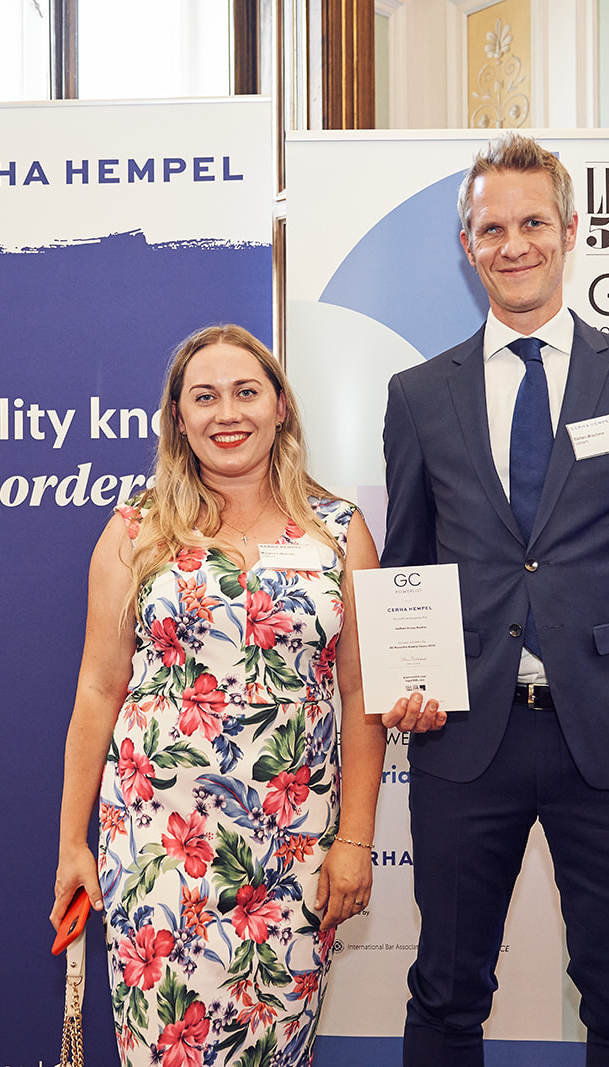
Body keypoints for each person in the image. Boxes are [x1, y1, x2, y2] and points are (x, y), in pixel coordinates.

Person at [379, 132, 609, 1066]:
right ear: (467, 245)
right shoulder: (418, 395)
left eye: (533, 222)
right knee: (445, 997)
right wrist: (408, 681)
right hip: (464, 742)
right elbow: (408, 569)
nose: (514, 244)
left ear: (571, 232)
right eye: (492, 228)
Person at [52, 324, 386, 1067]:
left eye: (246, 392)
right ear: (178, 417)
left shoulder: (338, 532)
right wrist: (73, 843)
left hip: (293, 855)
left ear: (280, 408)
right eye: (204, 397)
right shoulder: (135, 531)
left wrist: (356, 840)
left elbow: (363, 691)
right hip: (157, 849)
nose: (227, 413)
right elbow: (98, 688)